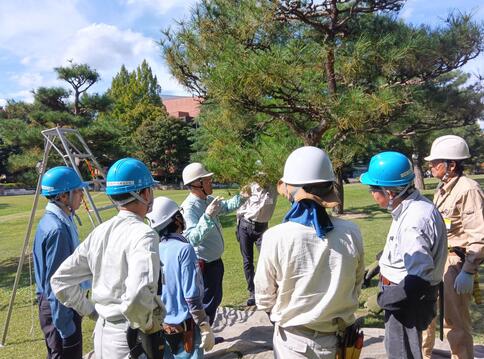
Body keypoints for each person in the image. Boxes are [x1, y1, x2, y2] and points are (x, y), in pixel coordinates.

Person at [254, 146, 365, 359]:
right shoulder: (351, 231)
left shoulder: (275, 237)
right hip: (339, 340)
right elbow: (357, 283)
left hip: (294, 341)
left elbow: (264, 296)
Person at [51, 158, 165, 359]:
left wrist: (93, 312)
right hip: (130, 337)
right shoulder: (144, 234)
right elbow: (139, 294)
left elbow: (60, 281)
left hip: (103, 334)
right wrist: (147, 324)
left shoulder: (100, 231)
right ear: (145, 193)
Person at [360, 151, 447, 359]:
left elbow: (418, 280)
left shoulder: (413, 222)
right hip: (403, 296)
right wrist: (381, 263)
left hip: (406, 301)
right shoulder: (410, 206)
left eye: (373, 188)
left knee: (402, 354)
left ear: (389, 192)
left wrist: (382, 299)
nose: (371, 193)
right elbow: (405, 250)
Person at [422, 135, 484, 359]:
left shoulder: (468, 189)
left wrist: (468, 271)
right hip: (436, 260)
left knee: (455, 324)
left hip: (455, 263)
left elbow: (479, 235)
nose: (430, 166)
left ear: (451, 164)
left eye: (435, 162)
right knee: (426, 317)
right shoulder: (442, 189)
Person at [180, 162, 249, 326]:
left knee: (215, 299)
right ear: (197, 184)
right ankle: (203, 339)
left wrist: (243, 196)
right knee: (206, 303)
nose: (211, 182)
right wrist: (208, 217)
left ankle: (207, 334)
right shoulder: (190, 208)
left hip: (215, 261)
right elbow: (190, 239)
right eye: (207, 180)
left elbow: (226, 207)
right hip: (203, 264)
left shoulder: (207, 200)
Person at [146, 196, 215, 358]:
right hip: (185, 327)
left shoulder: (154, 249)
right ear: (176, 219)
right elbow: (191, 295)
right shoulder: (184, 249)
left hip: (161, 325)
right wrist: (204, 325)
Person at [33, 166, 88, 359]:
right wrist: (66, 328)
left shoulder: (57, 219)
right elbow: (57, 284)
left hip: (58, 306)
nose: (82, 195)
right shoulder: (57, 230)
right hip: (60, 309)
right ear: (64, 196)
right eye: (78, 191)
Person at [236, 177, 277, 306]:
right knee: (247, 261)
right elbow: (240, 205)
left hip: (262, 228)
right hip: (245, 225)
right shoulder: (250, 186)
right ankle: (252, 292)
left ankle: (269, 290)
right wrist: (238, 226)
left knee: (267, 260)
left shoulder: (274, 187)